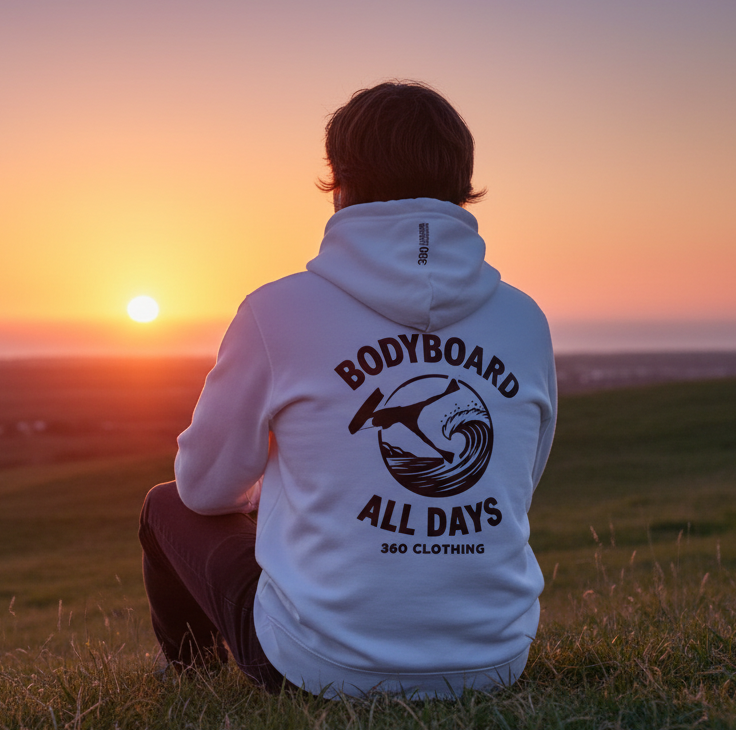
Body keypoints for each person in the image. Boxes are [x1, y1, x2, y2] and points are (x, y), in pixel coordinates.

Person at [137, 81, 558, 699]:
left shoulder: (276, 313)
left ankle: (191, 679)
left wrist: (274, 493)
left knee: (165, 504)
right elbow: (516, 484)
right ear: (463, 183)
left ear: (339, 181)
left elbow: (204, 489)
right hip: (494, 663)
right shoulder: (524, 320)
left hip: (317, 669)